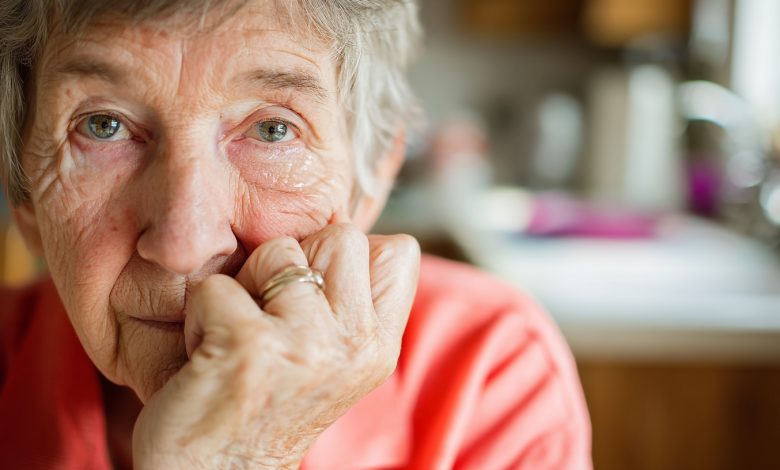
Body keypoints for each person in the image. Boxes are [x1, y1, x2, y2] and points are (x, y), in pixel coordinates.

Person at [0, 0, 591, 468]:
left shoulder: (486, 374)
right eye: (103, 126)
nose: (185, 244)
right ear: (24, 195)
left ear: (372, 177)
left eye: (274, 130)